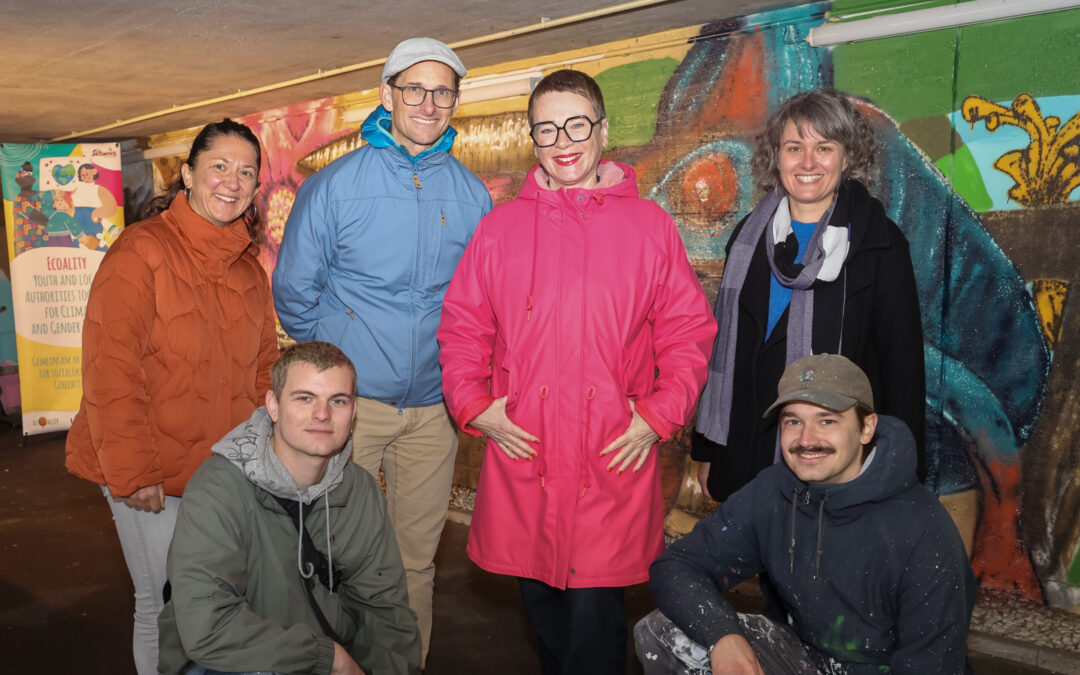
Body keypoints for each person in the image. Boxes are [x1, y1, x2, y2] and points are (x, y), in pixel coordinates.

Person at [437, 69, 717, 675]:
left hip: (611, 453)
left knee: (593, 627)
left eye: (577, 123)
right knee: (544, 616)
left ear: (603, 130)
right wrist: (474, 402)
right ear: (533, 140)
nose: (564, 139)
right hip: (526, 451)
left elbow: (688, 332)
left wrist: (659, 415)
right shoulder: (499, 230)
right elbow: (463, 328)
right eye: (547, 128)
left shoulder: (649, 228)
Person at [273, 37, 491, 665]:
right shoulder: (336, 187)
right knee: (330, 556)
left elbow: (477, 303)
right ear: (386, 94)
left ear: (454, 101)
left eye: (442, 90)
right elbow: (295, 295)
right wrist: (337, 375)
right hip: (351, 413)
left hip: (431, 411)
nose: (429, 102)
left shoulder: (472, 195)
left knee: (414, 561)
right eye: (415, 88)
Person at [65, 119, 279, 675]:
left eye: (246, 172)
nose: (232, 182)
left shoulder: (250, 271)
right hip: (150, 472)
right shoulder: (141, 251)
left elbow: (264, 376)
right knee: (164, 603)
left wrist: (268, 463)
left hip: (222, 474)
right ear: (187, 174)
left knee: (221, 605)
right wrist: (135, 473)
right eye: (219, 167)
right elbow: (110, 370)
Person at [637, 353, 975, 675]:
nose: (806, 440)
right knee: (664, 632)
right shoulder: (774, 491)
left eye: (827, 420)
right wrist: (723, 636)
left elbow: (932, 665)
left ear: (866, 428)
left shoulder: (923, 531)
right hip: (803, 656)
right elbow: (677, 566)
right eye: (793, 421)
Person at [693, 88, 925, 503]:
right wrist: (710, 451)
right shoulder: (748, 240)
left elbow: (902, 374)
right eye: (794, 147)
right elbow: (725, 352)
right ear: (776, 157)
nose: (807, 163)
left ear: (847, 157)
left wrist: (896, 473)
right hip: (746, 453)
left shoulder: (879, 245)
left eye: (824, 147)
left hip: (837, 466)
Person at [157, 341, 421, 675]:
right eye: (305, 398)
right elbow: (208, 627)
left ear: (353, 412)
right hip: (225, 660)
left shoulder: (359, 491)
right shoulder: (218, 489)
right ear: (274, 406)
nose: (322, 414)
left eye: (338, 400)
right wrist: (329, 658)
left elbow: (386, 612)